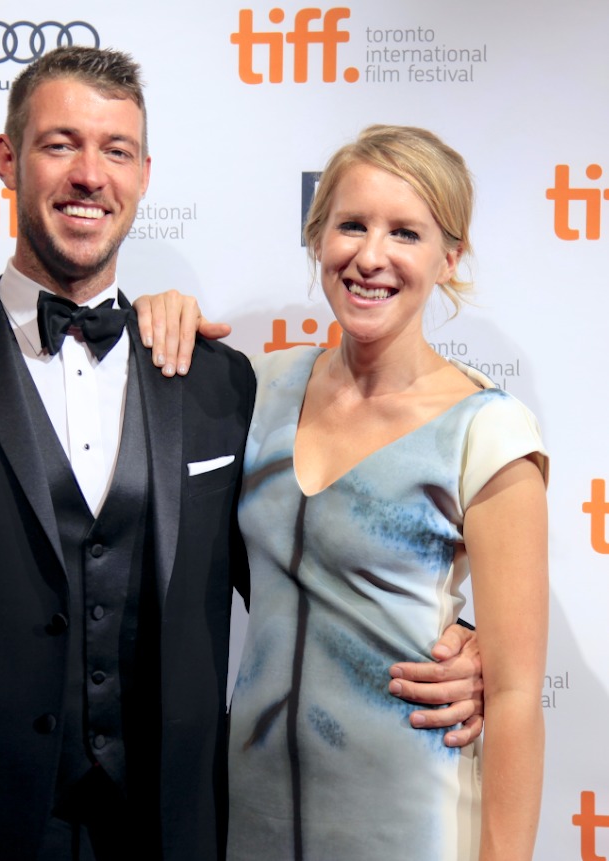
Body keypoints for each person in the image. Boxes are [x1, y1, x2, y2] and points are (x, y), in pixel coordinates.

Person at [0, 45, 483, 861]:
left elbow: (301, 580)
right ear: (6, 160)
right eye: (60, 144)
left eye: (116, 151)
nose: (90, 174)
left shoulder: (216, 385)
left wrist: (460, 643)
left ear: (144, 174)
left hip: (170, 829)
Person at [136, 125, 548, 860]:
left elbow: (515, 697)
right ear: (317, 238)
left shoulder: (486, 430)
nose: (370, 256)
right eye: (351, 224)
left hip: (409, 822)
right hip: (249, 814)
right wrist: (165, 311)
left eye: (406, 233)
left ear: (448, 257)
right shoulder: (256, 388)